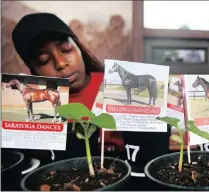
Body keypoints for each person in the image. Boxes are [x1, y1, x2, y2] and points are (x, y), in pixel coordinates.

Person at [11, 13, 124, 163]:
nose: (61, 63)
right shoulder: (35, 105)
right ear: (33, 69)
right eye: (43, 60)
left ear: (79, 47)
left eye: (66, 49)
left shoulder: (119, 86)